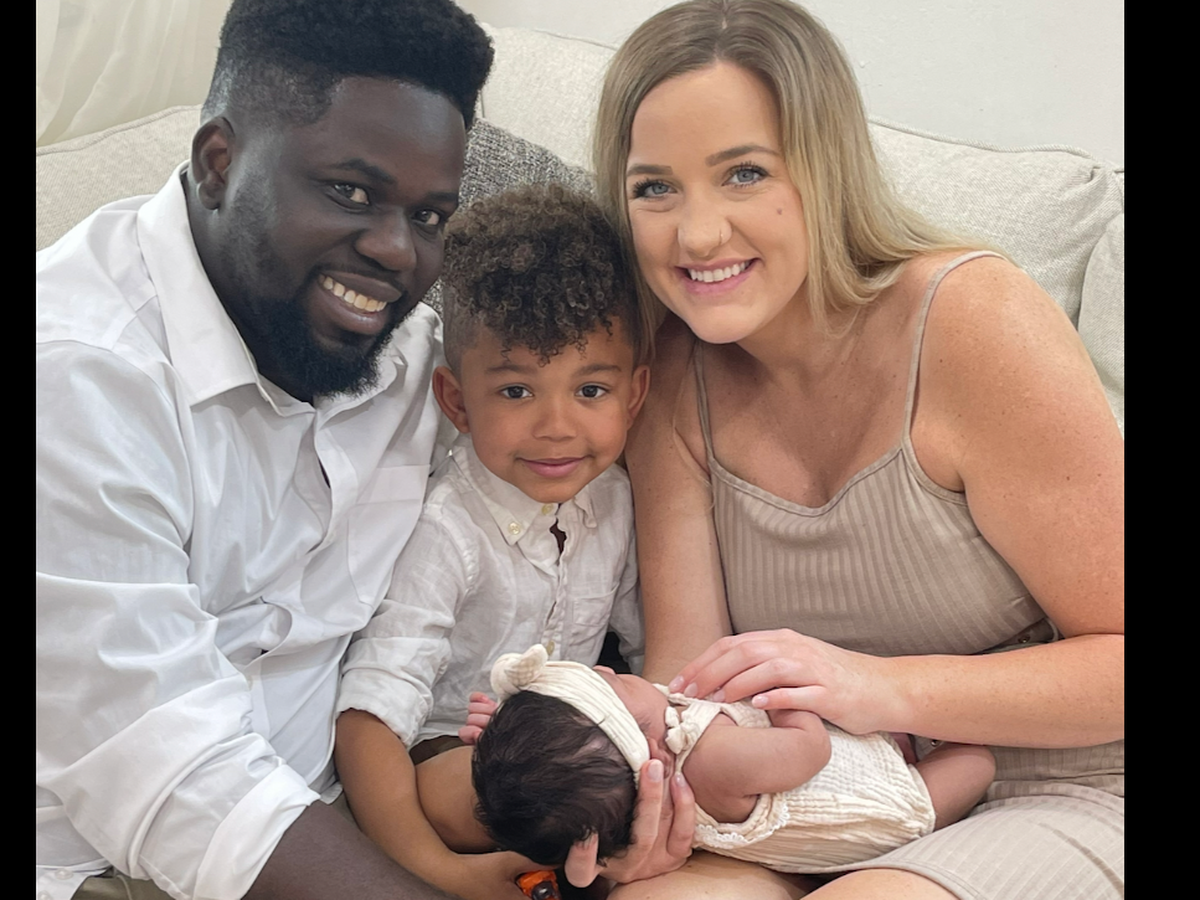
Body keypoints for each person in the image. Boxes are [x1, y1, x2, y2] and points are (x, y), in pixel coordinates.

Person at [562, 1, 1125, 898]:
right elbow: (690, 689)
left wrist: (880, 688)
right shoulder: (670, 373)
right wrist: (656, 804)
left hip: (1058, 784)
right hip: (810, 807)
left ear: (826, 167)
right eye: (655, 188)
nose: (697, 234)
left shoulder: (973, 321)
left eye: (744, 173)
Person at [36, 1, 493, 898]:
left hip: (335, 818)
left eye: (429, 215)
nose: (396, 252)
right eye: (350, 193)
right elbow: (173, 780)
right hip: (100, 860)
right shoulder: (77, 376)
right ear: (219, 163)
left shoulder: (409, 362)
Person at [333, 184, 650, 900]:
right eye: (516, 392)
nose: (557, 427)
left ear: (633, 394)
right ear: (457, 401)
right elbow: (367, 719)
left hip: (584, 753)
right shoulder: (448, 528)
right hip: (457, 752)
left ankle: (579, 860)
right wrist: (436, 868)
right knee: (475, 789)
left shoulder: (619, 501)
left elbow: (650, 654)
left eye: (590, 391)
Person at [473, 646, 995, 876]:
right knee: (976, 759)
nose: (610, 670)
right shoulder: (710, 760)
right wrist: (783, 691)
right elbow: (809, 751)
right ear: (649, 752)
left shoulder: (661, 745)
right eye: (613, 687)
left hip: (853, 755)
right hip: (883, 805)